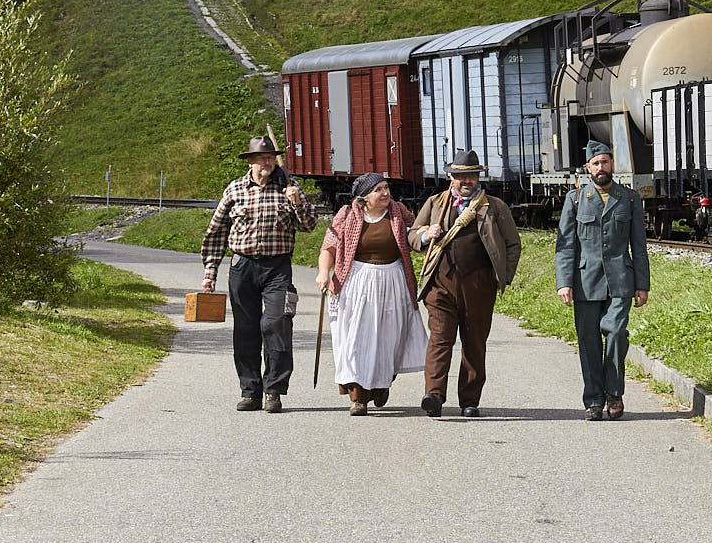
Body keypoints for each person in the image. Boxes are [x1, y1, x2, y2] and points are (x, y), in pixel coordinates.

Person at [200, 133, 317, 413]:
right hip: (242, 267)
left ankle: (274, 391)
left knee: (276, 326)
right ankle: (250, 390)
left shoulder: (289, 188)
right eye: (262, 158)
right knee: (246, 330)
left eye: (271, 158)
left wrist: (297, 202)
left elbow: (310, 225)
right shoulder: (235, 190)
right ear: (251, 161)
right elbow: (216, 232)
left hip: (278, 268)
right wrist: (210, 271)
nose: (267, 162)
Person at [411, 148, 520, 417]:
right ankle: (434, 395)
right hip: (441, 283)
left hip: (479, 285)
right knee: (440, 339)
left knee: (474, 343)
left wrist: (501, 278)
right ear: (451, 179)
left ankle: (469, 400)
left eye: (471, 176)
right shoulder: (435, 203)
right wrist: (426, 235)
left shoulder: (494, 207)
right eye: (461, 177)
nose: (466, 181)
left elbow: (512, 245)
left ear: (478, 178)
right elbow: (413, 235)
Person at [555, 144, 650, 420]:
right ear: (588, 168)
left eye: (605, 162)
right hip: (585, 282)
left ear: (612, 164)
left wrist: (642, 284)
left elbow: (639, 245)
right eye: (595, 163)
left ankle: (614, 393)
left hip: (621, 280)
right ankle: (594, 400)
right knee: (588, 342)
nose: (600, 168)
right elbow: (565, 246)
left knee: (616, 332)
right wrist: (564, 282)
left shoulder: (629, 199)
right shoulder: (575, 199)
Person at [324, 173, 426, 415]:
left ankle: (381, 384)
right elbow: (329, 246)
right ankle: (358, 397)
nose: (385, 193)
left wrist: (426, 233)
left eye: (386, 187)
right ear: (364, 197)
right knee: (356, 339)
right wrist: (322, 272)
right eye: (378, 189)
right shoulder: (348, 215)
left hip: (393, 280)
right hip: (357, 280)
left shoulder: (399, 212)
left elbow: (415, 236)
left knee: (389, 338)